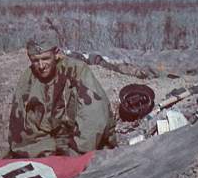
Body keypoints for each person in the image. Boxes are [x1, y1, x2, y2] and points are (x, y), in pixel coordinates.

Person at [7, 29, 117, 158]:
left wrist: (74, 153)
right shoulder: (28, 79)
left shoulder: (77, 71)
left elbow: (94, 119)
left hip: (86, 144)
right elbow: (21, 129)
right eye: (35, 60)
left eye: (45, 58)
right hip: (52, 146)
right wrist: (48, 154)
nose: (41, 66)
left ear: (57, 54)